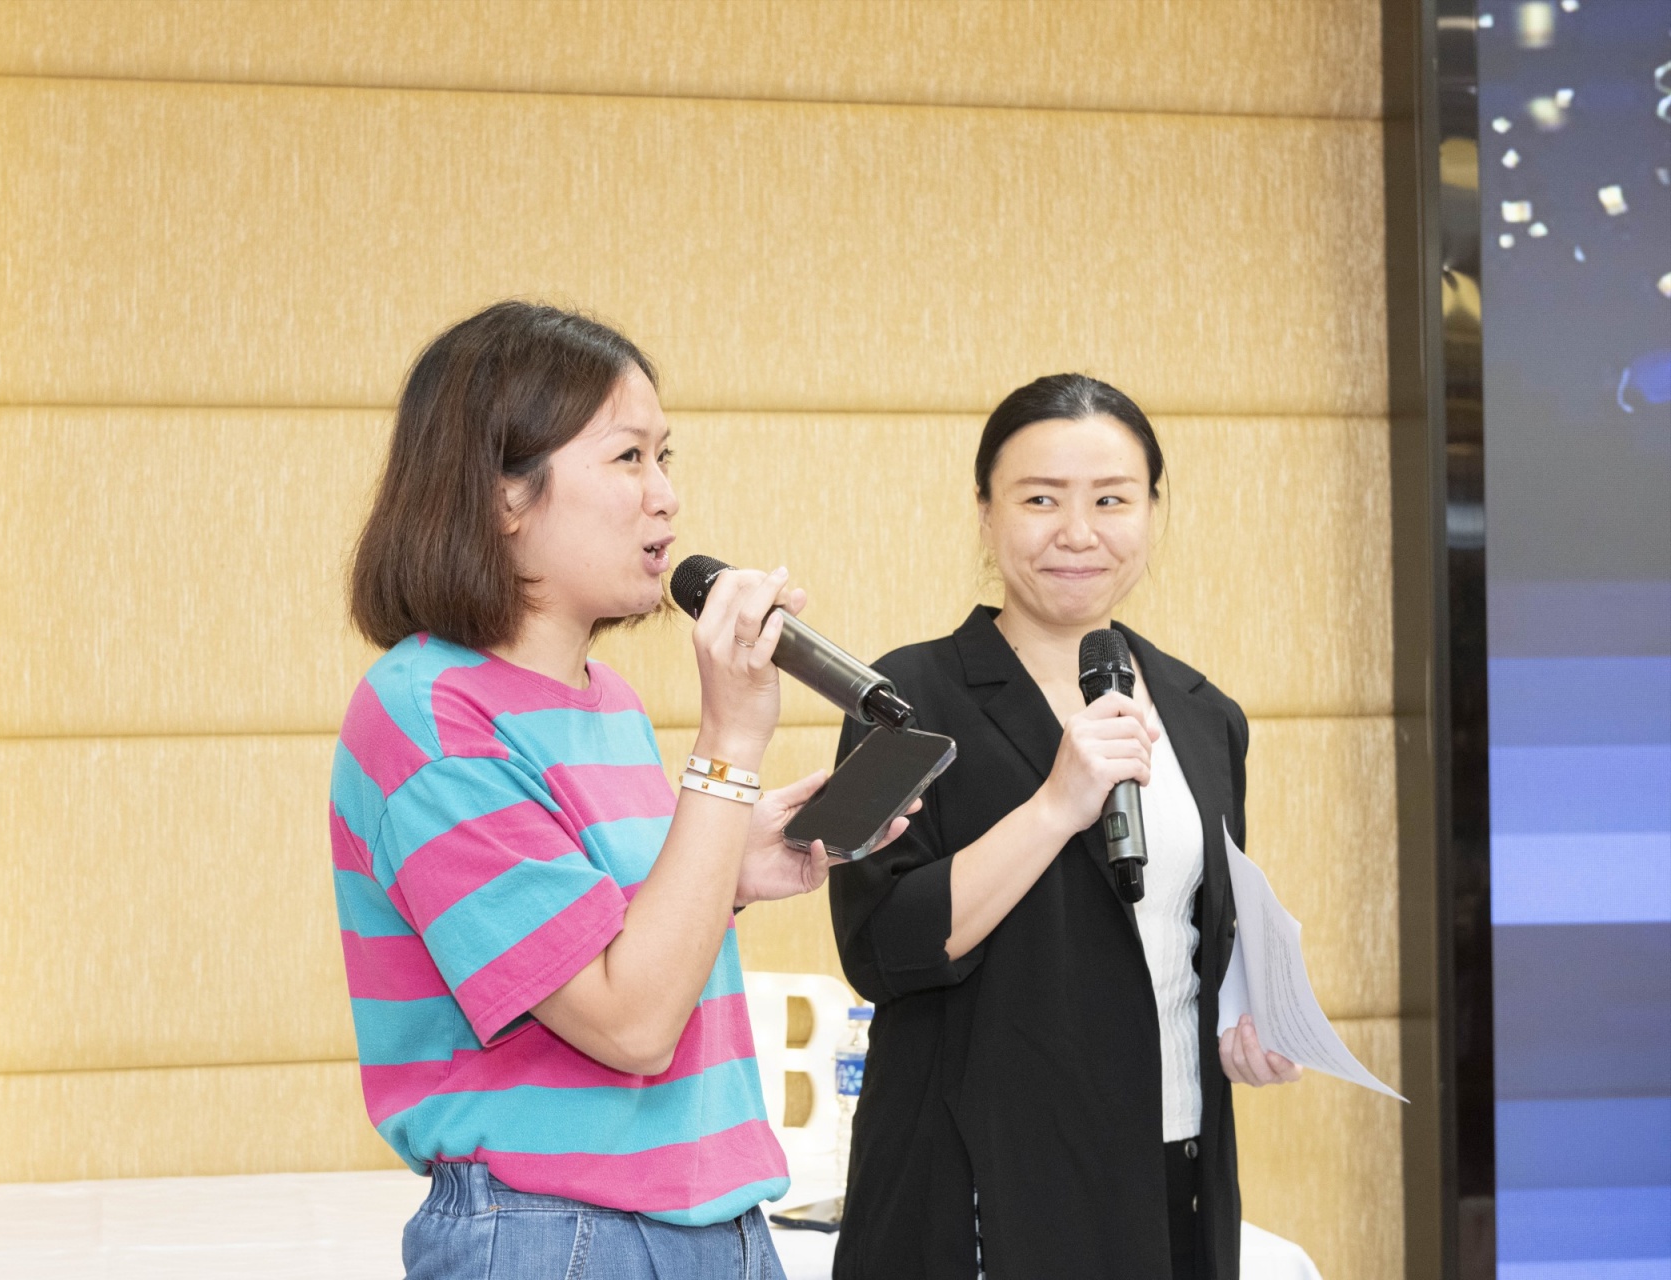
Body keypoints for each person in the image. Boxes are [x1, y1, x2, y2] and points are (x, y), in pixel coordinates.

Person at [330, 301, 902, 1279]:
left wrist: (729, 867)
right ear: (504, 496)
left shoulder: (609, 702)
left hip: (715, 1221)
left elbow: (618, 943)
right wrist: (728, 744)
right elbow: (629, 1023)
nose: (666, 497)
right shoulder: (426, 715)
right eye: (629, 457)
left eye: (665, 457)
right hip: (558, 1235)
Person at [827, 374, 1302, 1280]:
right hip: (981, 1183)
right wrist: (1054, 806)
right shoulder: (903, 701)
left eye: (1111, 500)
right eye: (1041, 499)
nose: (1078, 533)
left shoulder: (1205, 713)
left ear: (1153, 511)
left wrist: (1249, 1014)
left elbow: (1186, 929)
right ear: (985, 513)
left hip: (1174, 1164)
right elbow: (881, 948)